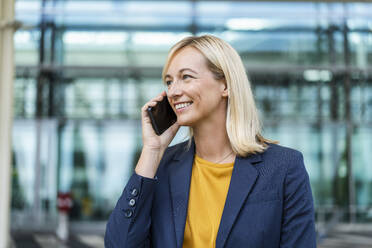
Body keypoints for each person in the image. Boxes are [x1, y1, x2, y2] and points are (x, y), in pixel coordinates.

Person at [104, 35, 316, 248]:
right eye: (169, 81)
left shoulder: (284, 167)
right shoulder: (160, 166)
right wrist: (153, 150)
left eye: (186, 77)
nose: (174, 91)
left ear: (225, 84)